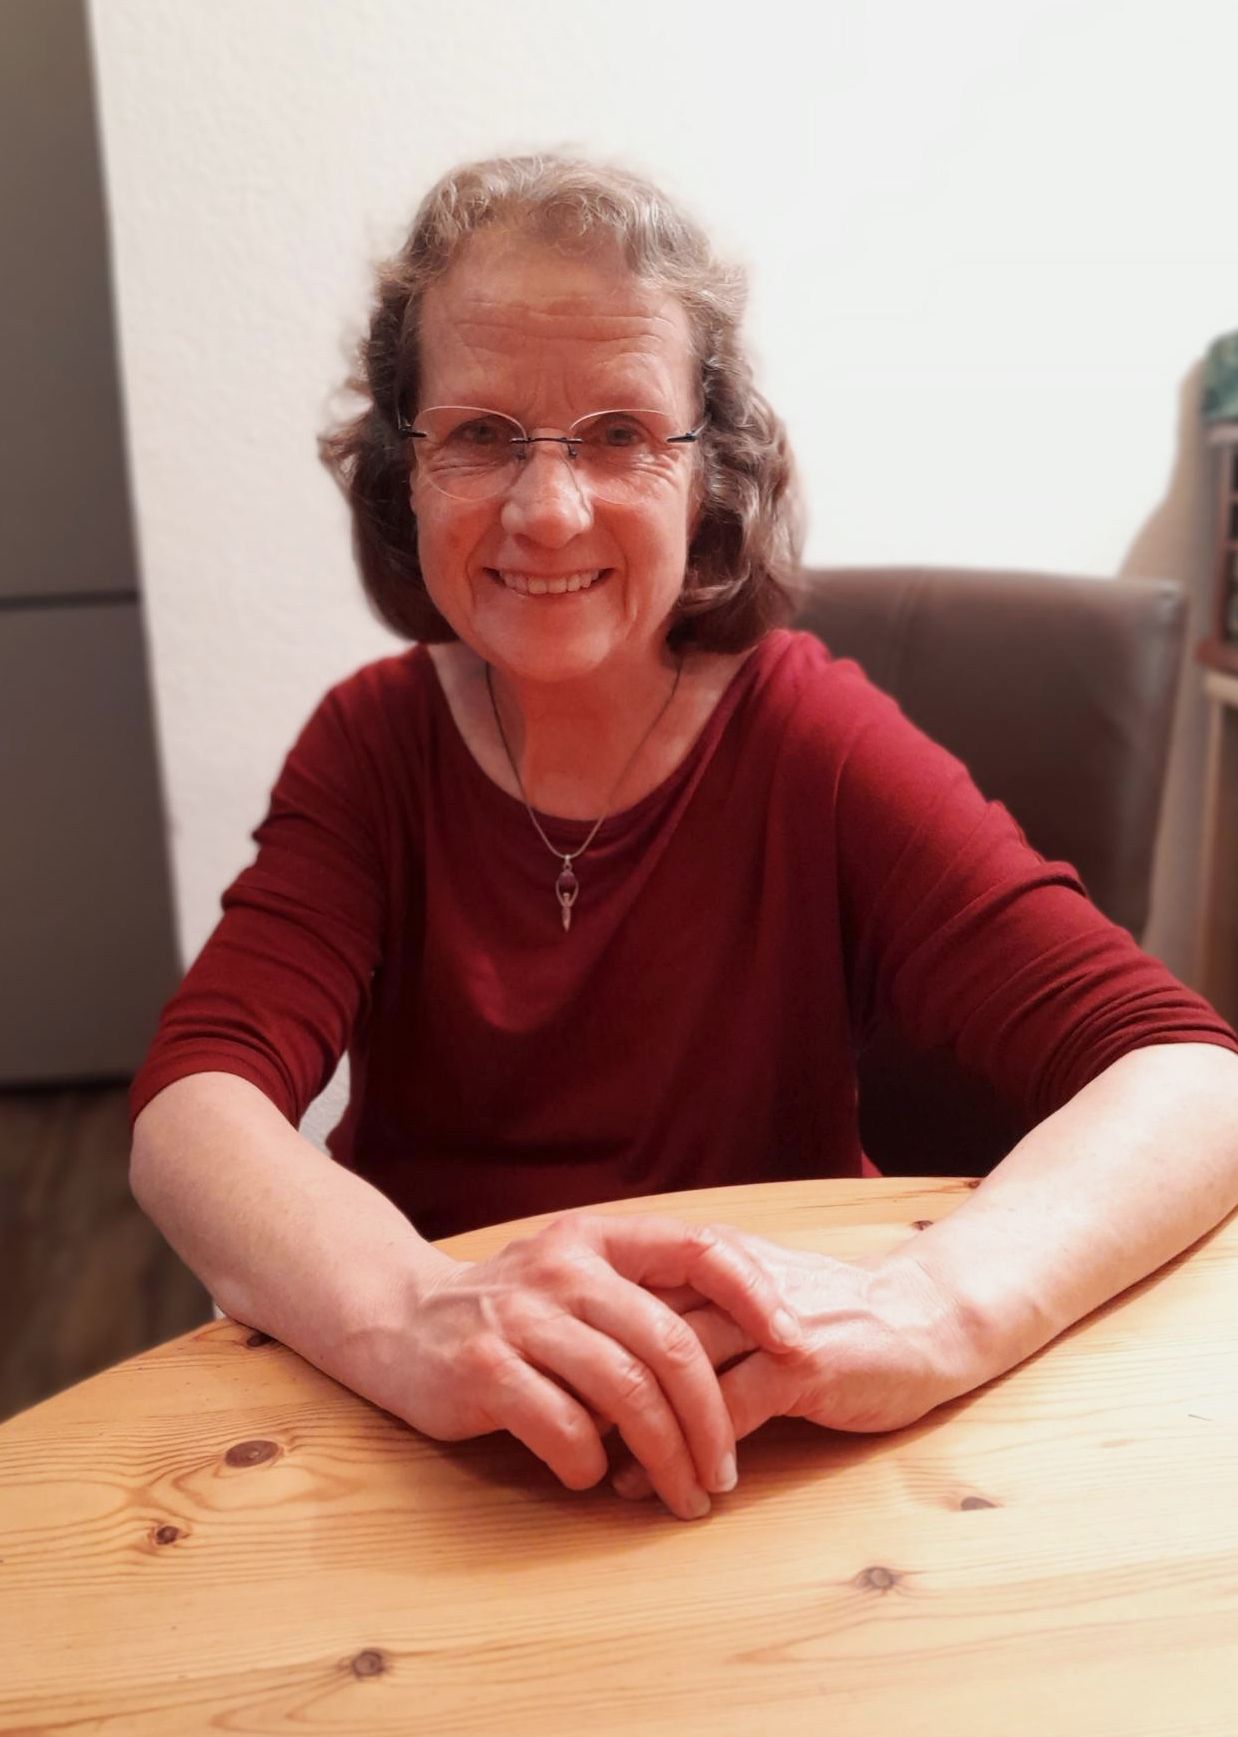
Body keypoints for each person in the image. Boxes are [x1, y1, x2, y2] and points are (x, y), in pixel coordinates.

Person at [129, 154, 1238, 1523]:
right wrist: (414, 1308)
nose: (548, 510)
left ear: (711, 470)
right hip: (451, 1440)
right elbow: (193, 1107)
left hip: (777, 1440)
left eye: (619, 433)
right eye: (481, 434)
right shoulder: (369, 748)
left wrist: (936, 1305)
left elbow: (1189, 1076)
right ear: (402, 471)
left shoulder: (813, 739)